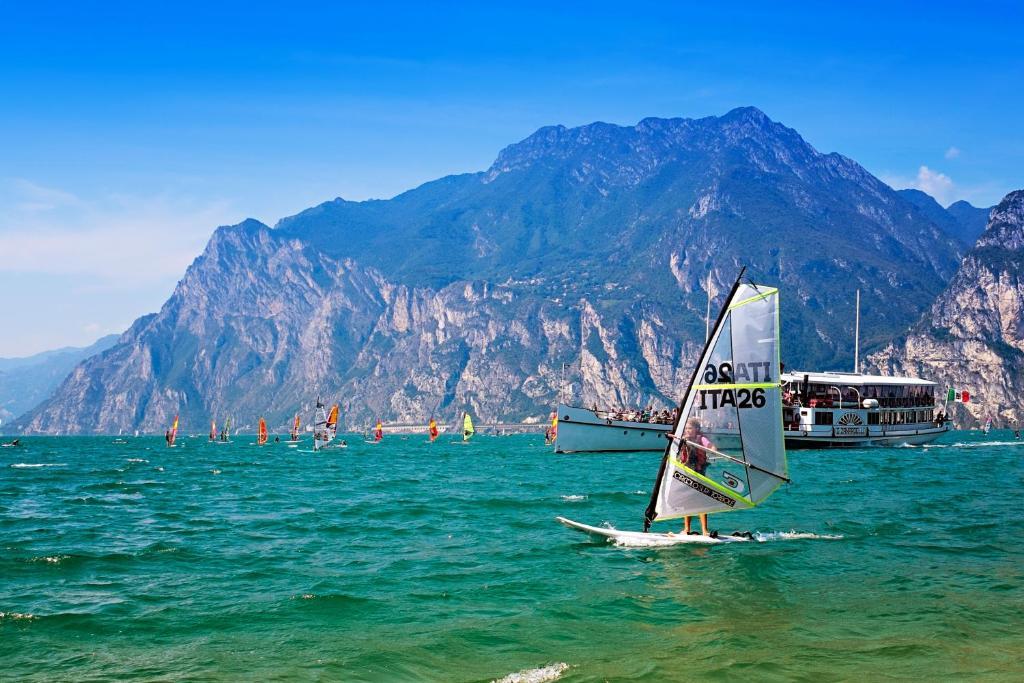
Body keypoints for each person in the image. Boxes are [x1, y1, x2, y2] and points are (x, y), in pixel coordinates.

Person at [677, 417, 715, 537]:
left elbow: (710, 446)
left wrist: (713, 450)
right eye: (686, 428)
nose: (687, 430)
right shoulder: (683, 438)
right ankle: (686, 529)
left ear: (697, 429)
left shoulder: (701, 438)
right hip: (686, 473)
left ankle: (705, 530)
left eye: (690, 428)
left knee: (700, 501)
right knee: (687, 501)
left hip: (698, 473)